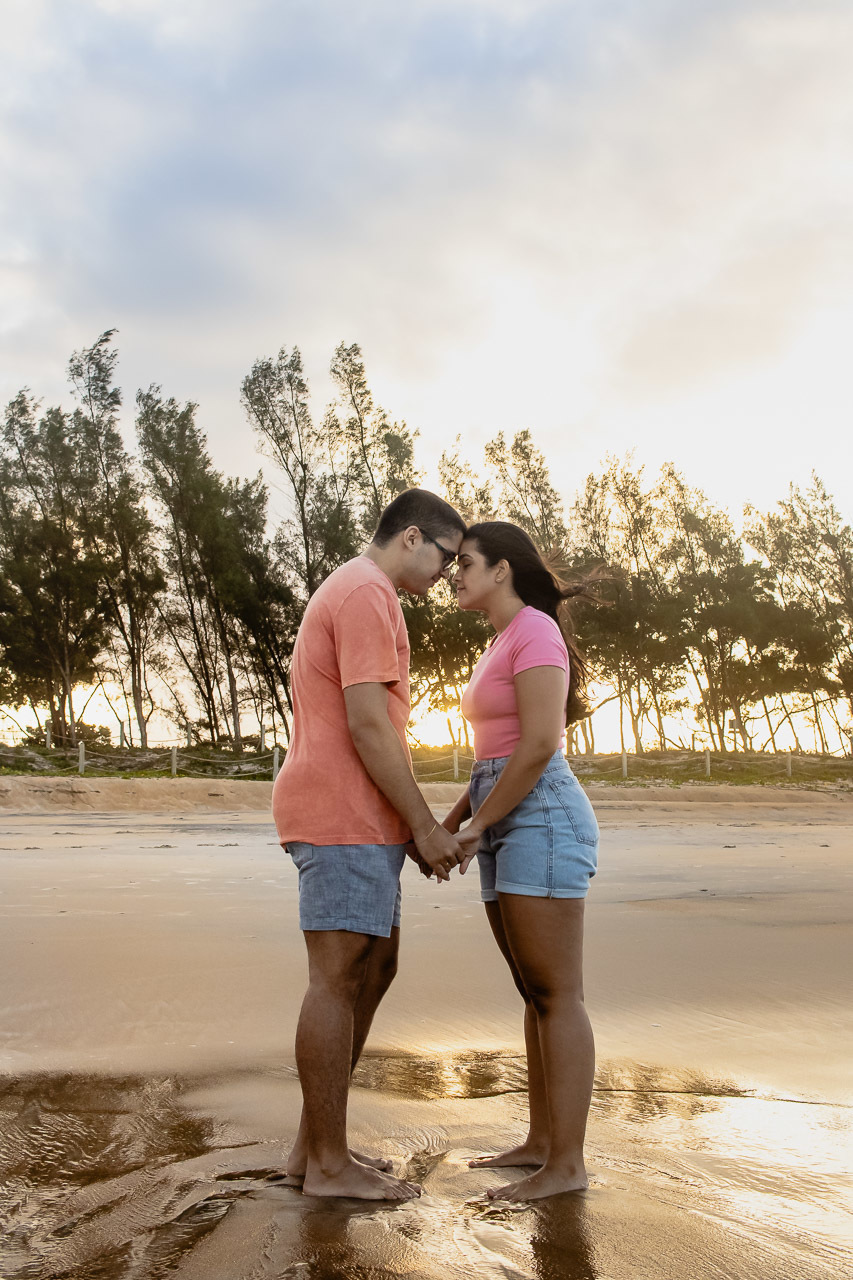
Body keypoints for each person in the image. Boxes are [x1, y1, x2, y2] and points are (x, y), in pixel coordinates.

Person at [273, 489, 466, 1201]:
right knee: (338, 977)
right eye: (445, 556)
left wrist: (405, 824)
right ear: (411, 537)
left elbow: (381, 728)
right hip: (335, 813)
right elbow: (368, 726)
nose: (446, 573)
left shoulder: (369, 593)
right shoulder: (364, 593)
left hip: (360, 815)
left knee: (374, 968)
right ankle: (326, 1162)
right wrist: (422, 824)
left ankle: (311, 1148)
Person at [444, 521, 600, 1202]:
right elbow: (493, 756)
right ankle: (540, 1143)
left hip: (539, 816)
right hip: (505, 812)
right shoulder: (502, 639)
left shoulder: (534, 629)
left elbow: (539, 743)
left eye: (466, 562)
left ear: (502, 569)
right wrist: (450, 823)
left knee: (556, 991)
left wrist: (477, 823)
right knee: (533, 991)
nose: (454, 572)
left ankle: (566, 1165)